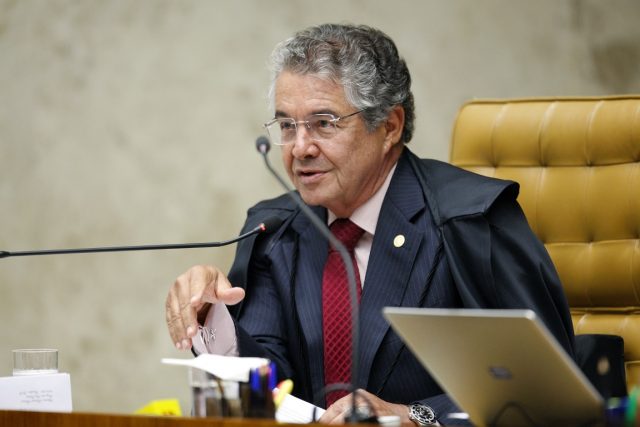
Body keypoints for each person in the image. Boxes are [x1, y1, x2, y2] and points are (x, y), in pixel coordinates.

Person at [165, 23, 574, 425]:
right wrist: (213, 317)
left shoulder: (471, 221)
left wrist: (413, 416)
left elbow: (542, 391)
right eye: (287, 126)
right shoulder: (275, 232)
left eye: (324, 123)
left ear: (389, 126)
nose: (300, 148)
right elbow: (270, 385)